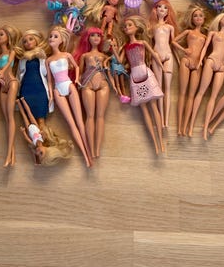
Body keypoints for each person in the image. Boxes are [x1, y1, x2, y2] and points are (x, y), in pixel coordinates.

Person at [45, 26, 92, 167]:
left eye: (55, 36)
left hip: (69, 85)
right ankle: (85, 156)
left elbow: (76, 67)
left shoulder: (66, 55)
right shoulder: (48, 60)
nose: (52, 38)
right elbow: (49, 81)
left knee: (80, 122)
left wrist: (76, 79)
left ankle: (89, 153)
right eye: (50, 36)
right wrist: (51, 96)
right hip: (57, 90)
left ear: (62, 40)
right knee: (71, 124)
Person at [118, 15, 165, 155]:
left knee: (153, 106)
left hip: (145, 72)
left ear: (137, 28)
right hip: (134, 76)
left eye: (130, 25)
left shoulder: (143, 42)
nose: (127, 28)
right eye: (125, 26)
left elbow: (154, 55)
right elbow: (119, 62)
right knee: (144, 110)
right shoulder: (125, 47)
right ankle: (155, 143)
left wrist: (162, 67)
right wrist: (114, 49)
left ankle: (161, 141)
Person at [187, 13, 224, 140]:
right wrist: (200, 60)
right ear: (220, 19)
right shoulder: (213, 34)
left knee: (214, 97)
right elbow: (205, 48)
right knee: (201, 92)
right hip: (211, 61)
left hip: (222, 66)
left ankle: (205, 129)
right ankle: (191, 125)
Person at [73, 27, 115, 158]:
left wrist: (115, 86)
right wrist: (77, 81)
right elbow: (80, 71)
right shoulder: (85, 56)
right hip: (87, 83)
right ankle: (90, 149)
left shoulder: (104, 56)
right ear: (88, 38)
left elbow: (109, 72)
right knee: (90, 116)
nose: (96, 38)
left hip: (103, 83)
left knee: (100, 116)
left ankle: (97, 149)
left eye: (98, 35)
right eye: (93, 35)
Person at [172, 5, 207, 136]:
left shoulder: (205, 37)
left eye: (200, 16)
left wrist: (203, 61)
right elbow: (174, 41)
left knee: (191, 95)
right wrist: (183, 50)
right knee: (182, 93)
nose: (198, 18)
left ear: (204, 19)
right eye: (195, 16)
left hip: (197, 65)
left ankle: (186, 126)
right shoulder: (188, 32)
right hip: (186, 61)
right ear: (192, 19)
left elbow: (204, 51)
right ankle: (179, 127)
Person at [148, 0, 179, 128]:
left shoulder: (170, 27)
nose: (162, 9)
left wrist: (179, 57)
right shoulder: (152, 27)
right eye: (159, 7)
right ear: (155, 10)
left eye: (165, 7)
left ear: (168, 12)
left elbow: (173, 43)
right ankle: (160, 120)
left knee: (168, 88)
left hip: (168, 55)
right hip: (156, 56)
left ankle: (166, 120)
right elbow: (149, 44)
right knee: (159, 88)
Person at [0, 24, 21, 167]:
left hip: (12, 83)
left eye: (1, 34)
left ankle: (8, 155)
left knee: (10, 117)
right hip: (2, 88)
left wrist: (2, 70)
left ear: (8, 37)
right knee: (6, 120)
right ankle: (12, 156)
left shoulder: (12, 51)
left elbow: (9, 63)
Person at [17, 96, 73, 166]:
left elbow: (27, 139)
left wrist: (23, 132)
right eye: (41, 153)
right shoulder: (43, 140)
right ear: (47, 149)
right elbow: (44, 135)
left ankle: (18, 102)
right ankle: (23, 100)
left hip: (29, 128)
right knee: (29, 113)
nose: (38, 152)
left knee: (24, 115)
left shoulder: (34, 144)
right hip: (36, 126)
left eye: (38, 155)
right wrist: (42, 133)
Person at [15, 29, 52, 130]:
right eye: (25, 41)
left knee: (41, 120)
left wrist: (51, 93)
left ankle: (45, 138)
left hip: (40, 90)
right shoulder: (23, 59)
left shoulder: (42, 57)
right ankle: (34, 139)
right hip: (26, 91)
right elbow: (18, 76)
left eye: (31, 39)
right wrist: (17, 93)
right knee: (30, 122)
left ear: (36, 40)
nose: (28, 42)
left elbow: (48, 76)